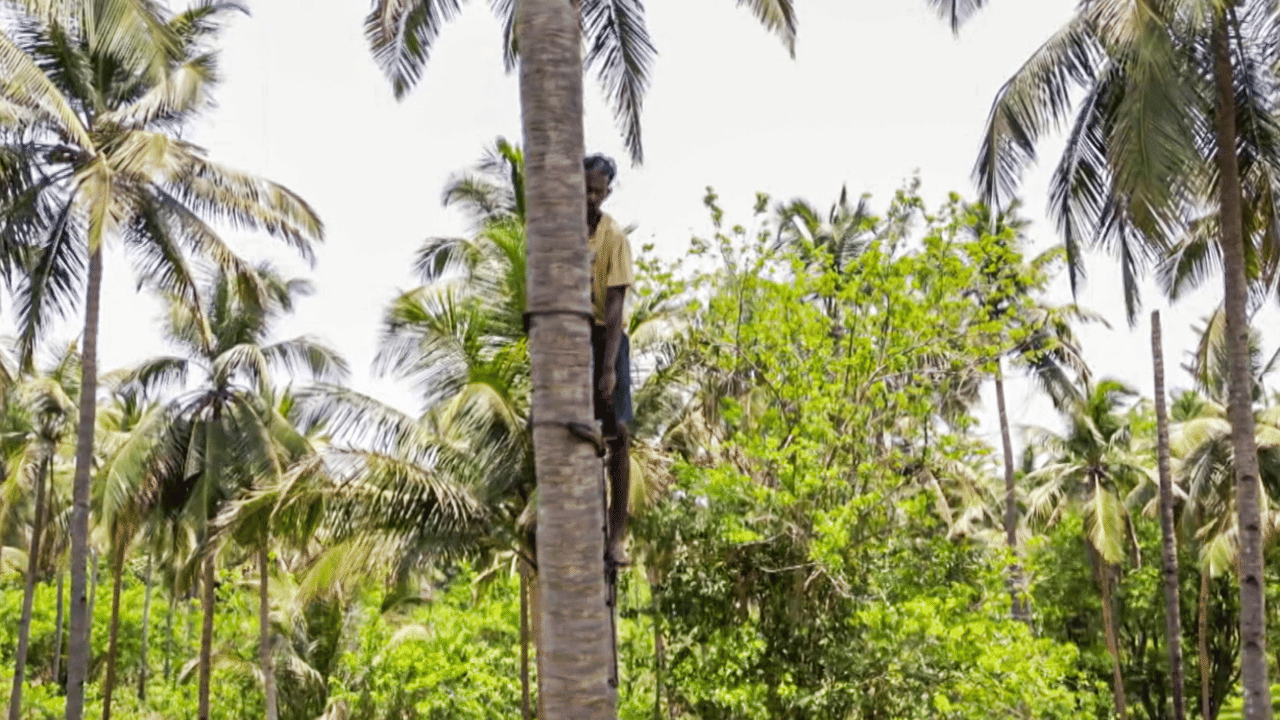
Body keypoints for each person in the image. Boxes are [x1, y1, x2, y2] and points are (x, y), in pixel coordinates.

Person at [585, 153, 634, 567]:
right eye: (584, 188)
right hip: (570, 338)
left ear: (607, 192)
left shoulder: (613, 236)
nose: (589, 197)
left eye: (597, 192)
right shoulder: (560, 230)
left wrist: (608, 367)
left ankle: (616, 537)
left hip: (607, 337)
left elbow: (616, 303)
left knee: (618, 432)